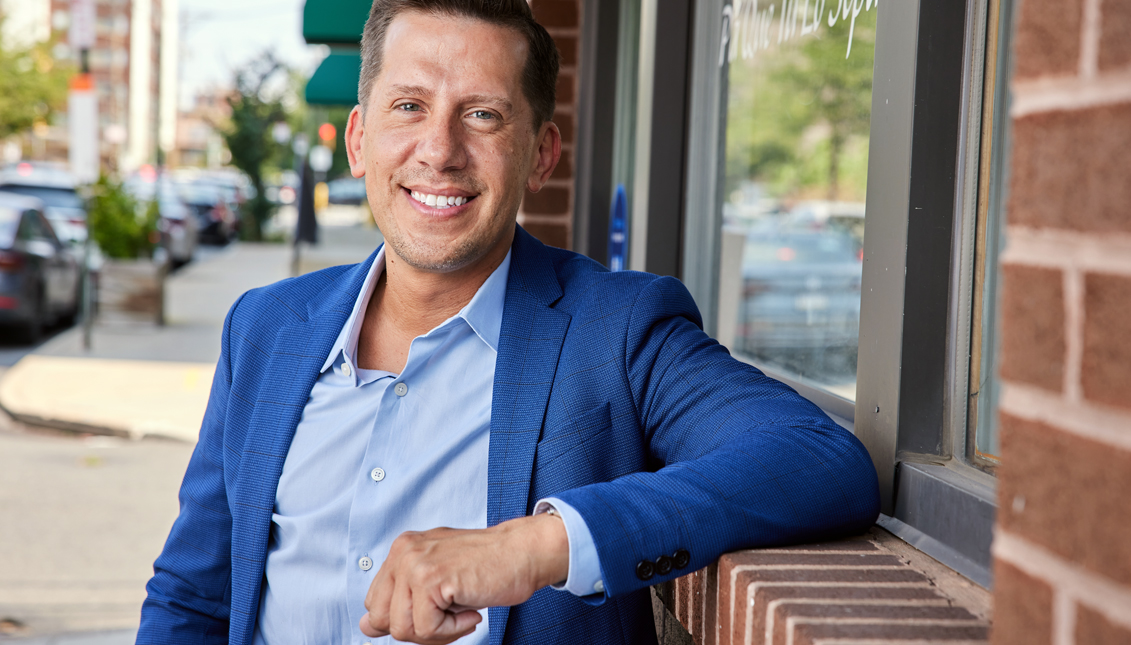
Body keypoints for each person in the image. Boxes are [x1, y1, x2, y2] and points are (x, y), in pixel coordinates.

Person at [137, 1, 880, 643]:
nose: (439, 150)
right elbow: (193, 593)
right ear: (359, 140)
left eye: (482, 115)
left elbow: (818, 459)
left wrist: (532, 544)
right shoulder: (265, 327)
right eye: (409, 107)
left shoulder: (615, 330)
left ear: (540, 155)